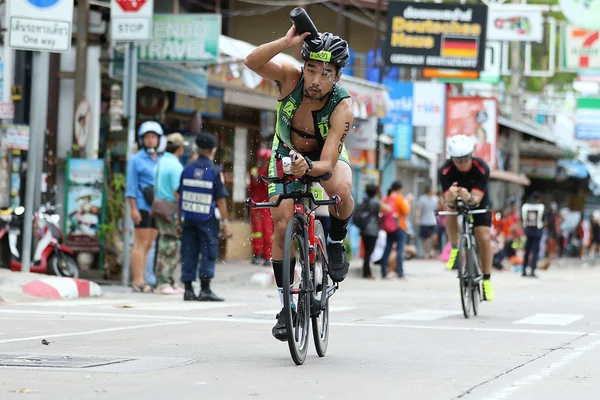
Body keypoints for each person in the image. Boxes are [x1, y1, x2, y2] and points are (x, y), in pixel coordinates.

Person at [245, 25, 355, 341]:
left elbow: (329, 162)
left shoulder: (343, 106)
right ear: (303, 66)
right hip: (285, 150)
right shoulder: (289, 77)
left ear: (337, 76)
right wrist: (285, 41)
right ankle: (285, 306)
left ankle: (335, 240)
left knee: (339, 189)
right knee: (281, 225)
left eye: (326, 73)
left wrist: (309, 167)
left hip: (323, 155)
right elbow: (251, 62)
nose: (316, 80)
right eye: (312, 70)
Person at [438, 134, 495, 301]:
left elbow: (476, 199)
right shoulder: (445, 170)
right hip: (455, 199)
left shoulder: (481, 167)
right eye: (458, 160)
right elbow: (446, 197)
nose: (462, 164)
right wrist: (452, 196)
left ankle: (486, 279)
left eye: (465, 159)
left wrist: (467, 197)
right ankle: (455, 247)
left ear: (471, 155)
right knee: (450, 210)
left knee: (483, 236)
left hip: (478, 200)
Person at [179, 134, 230, 302]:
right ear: (213, 150)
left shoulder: (187, 169)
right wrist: (225, 223)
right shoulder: (214, 172)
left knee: (189, 251)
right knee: (208, 252)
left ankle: (188, 290)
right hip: (207, 219)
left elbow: (180, 195)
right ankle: (205, 289)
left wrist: (178, 219)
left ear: (197, 150)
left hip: (189, 218)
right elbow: (221, 200)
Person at [125, 121, 163, 293]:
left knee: (149, 244)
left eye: (153, 137)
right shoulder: (136, 159)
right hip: (141, 205)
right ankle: (137, 281)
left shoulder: (162, 159)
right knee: (140, 243)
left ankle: (145, 278)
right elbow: (131, 187)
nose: (150, 141)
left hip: (158, 206)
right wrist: (133, 208)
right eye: (147, 137)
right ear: (142, 139)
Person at [154, 133, 185, 294]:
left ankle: (169, 281)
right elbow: (177, 193)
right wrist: (181, 215)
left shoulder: (160, 163)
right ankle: (164, 282)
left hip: (159, 207)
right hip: (171, 209)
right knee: (171, 245)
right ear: (179, 149)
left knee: (165, 243)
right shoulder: (175, 166)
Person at [248, 148, 275, 266]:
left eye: (266, 160)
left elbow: (268, 189)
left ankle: (268, 255)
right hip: (257, 204)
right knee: (257, 231)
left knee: (268, 231)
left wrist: (262, 177)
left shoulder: (271, 172)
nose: (263, 162)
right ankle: (257, 254)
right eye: (262, 159)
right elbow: (251, 189)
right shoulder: (254, 171)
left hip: (268, 205)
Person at [359, 184, 391, 279]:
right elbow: (388, 209)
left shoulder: (365, 201)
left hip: (364, 228)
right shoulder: (375, 202)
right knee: (369, 252)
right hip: (372, 230)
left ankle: (366, 271)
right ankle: (367, 273)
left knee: (367, 252)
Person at [380, 181, 411, 279]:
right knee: (400, 250)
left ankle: (383, 272)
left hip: (389, 228)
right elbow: (406, 211)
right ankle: (400, 273)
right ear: (399, 189)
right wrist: (408, 201)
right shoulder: (400, 198)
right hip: (400, 227)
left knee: (387, 249)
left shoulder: (386, 198)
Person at [521, 192, 546, 277]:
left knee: (527, 251)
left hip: (528, 231)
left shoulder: (525, 207)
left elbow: (523, 219)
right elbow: (543, 220)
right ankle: (532, 270)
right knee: (535, 252)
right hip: (537, 232)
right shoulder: (541, 207)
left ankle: (524, 270)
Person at [416, 186, 439, 259]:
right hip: (424, 221)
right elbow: (419, 209)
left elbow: (438, 208)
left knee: (435, 236)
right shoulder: (422, 198)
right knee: (425, 238)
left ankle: (432, 250)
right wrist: (417, 218)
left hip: (433, 220)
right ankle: (426, 253)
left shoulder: (436, 198)